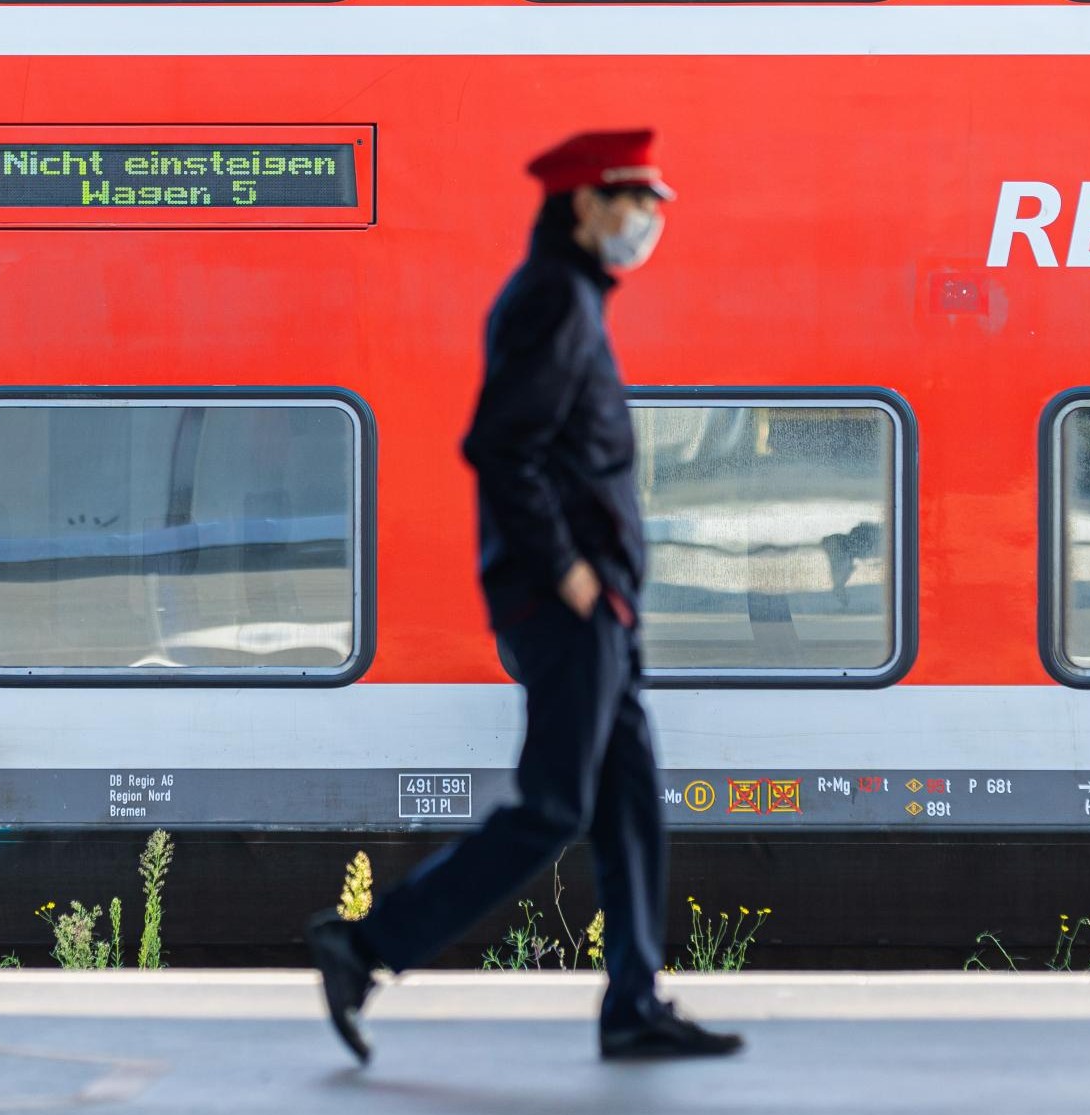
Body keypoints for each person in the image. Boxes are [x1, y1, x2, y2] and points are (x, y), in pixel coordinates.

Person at [305, 129, 744, 1065]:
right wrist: (570, 573)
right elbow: (501, 447)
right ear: (585, 203)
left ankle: (633, 1001)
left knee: (629, 808)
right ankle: (368, 944)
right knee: (552, 804)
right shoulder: (552, 299)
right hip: (569, 606)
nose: (649, 219)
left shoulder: (574, 296)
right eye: (637, 200)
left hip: (601, 609)